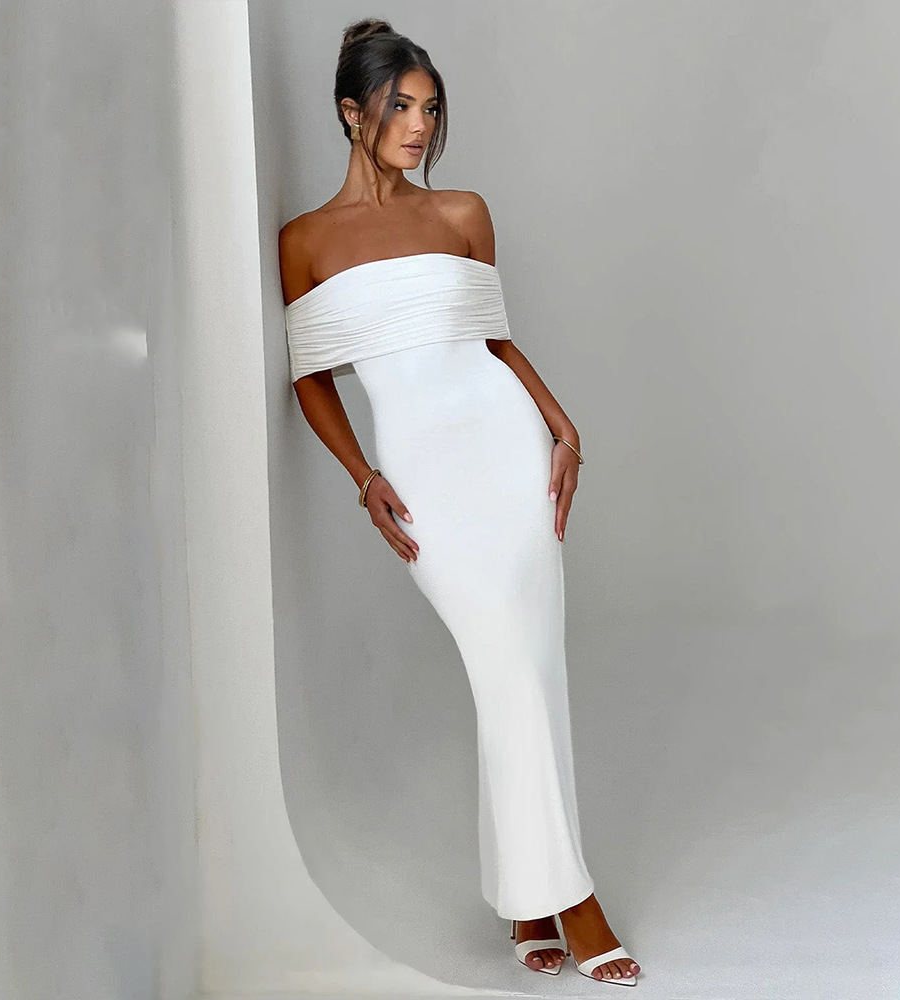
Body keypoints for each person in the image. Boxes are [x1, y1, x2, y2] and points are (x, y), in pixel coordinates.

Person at [279, 18, 641, 986]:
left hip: (507, 456)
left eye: (430, 108)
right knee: (503, 667)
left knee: (530, 669)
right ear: (350, 111)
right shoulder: (305, 241)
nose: (418, 126)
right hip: (426, 481)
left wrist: (561, 427)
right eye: (398, 106)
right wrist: (362, 476)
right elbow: (311, 377)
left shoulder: (461, 213)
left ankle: (536, 897)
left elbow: (494, 343)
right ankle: (569, 895)